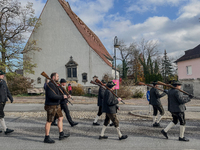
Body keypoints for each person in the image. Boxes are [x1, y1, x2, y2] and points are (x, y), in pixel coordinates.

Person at [44, 73, 70, 144]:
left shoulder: (55, 84)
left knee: (60, 118)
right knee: (49, 121)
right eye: (57, 76)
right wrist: (62, 97)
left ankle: (61, 134)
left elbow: (60, 92)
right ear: (53, 77)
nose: (58, 77)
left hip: (57, 105)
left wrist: (67, 95)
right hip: (51, 105)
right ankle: (46, 137)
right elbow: (52, 96)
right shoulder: (50, 85)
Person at [0, 70, 14, 135]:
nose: (3, 76)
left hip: (3, 100)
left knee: (0, 115)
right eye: (2, 75)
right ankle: (5, 129)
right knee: (1, 115)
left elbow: (7, 90)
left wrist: (10, 98)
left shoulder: (3, 81)